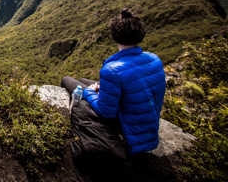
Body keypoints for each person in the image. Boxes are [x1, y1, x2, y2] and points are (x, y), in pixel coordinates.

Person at [61, 8, 166, 154]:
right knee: (83, 80)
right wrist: (102, 90)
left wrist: (90, 92)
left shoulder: (111, 70)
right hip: (147, 126)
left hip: (128, 132)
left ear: (115, 36)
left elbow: (106, 112)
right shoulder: (155, 59)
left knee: (68, 81)